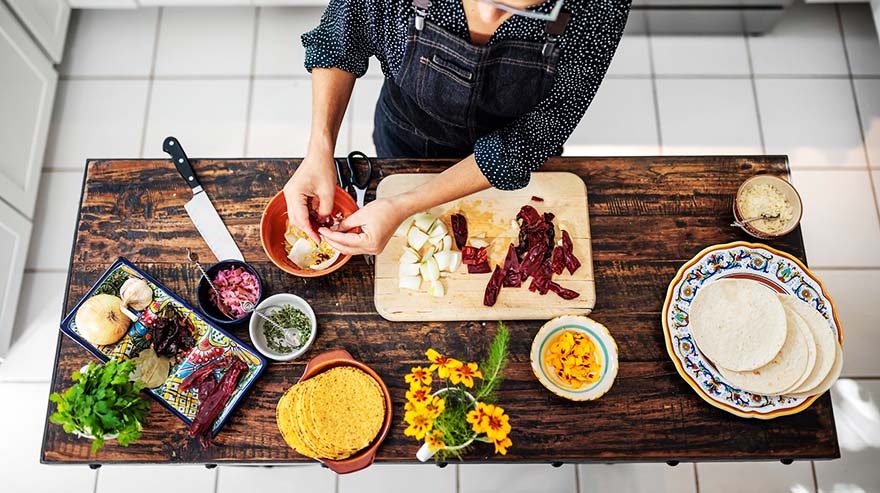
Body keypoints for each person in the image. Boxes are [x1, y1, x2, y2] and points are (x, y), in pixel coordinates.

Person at [283, 0, 630, 255]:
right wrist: (319, 150)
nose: (490, 15)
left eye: (531, 7)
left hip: (508, 168)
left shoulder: (598, 6)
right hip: (404, 135)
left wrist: (404, 206)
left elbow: (539, 132)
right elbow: (339, 40)